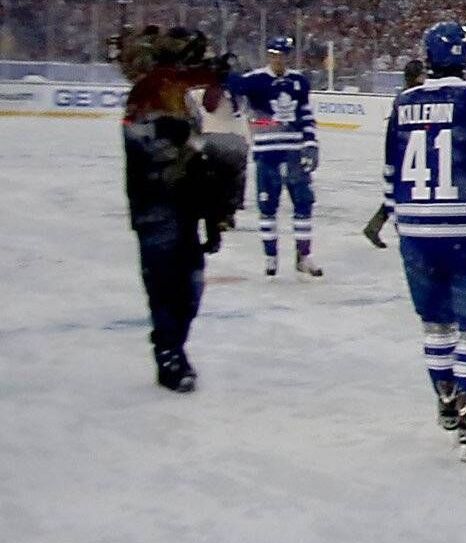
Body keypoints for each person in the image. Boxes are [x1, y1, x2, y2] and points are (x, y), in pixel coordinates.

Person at [380, 23, 466, 457]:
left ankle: (446, 403)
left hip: (417, 234)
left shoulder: (403, 103)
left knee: (437, 323)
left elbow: (391, 177)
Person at [115, 26, 240, 393]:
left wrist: (212, 209)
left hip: (181, 204)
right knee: (168, 284)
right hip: (156, 205)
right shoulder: (154, 88)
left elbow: (196, 153)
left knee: (189, 285)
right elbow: (155, 148)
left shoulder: (176, 92)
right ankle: (169, 353)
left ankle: (173, 347)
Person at [228, 35, 320, 277]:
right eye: (274, 55)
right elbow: (232, 89)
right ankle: (270, 257)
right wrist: (225, 73)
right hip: (267, 154)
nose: (278, 60)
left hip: (294, 153)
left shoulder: (298, 81)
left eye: (282, 55)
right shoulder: (255, 81)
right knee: (267, 206)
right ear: (269, 56)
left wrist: (310, 144)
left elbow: (306, 116)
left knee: (304, 203)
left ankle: (304, 255)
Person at [360, 58, 429, 248]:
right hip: (408, 154)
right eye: (422, 74)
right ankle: (405, 234)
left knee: (401, 194)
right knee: (406, 194)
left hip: (405, 152)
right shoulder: (411, 99)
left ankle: (376, 227)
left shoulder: (406, 97)